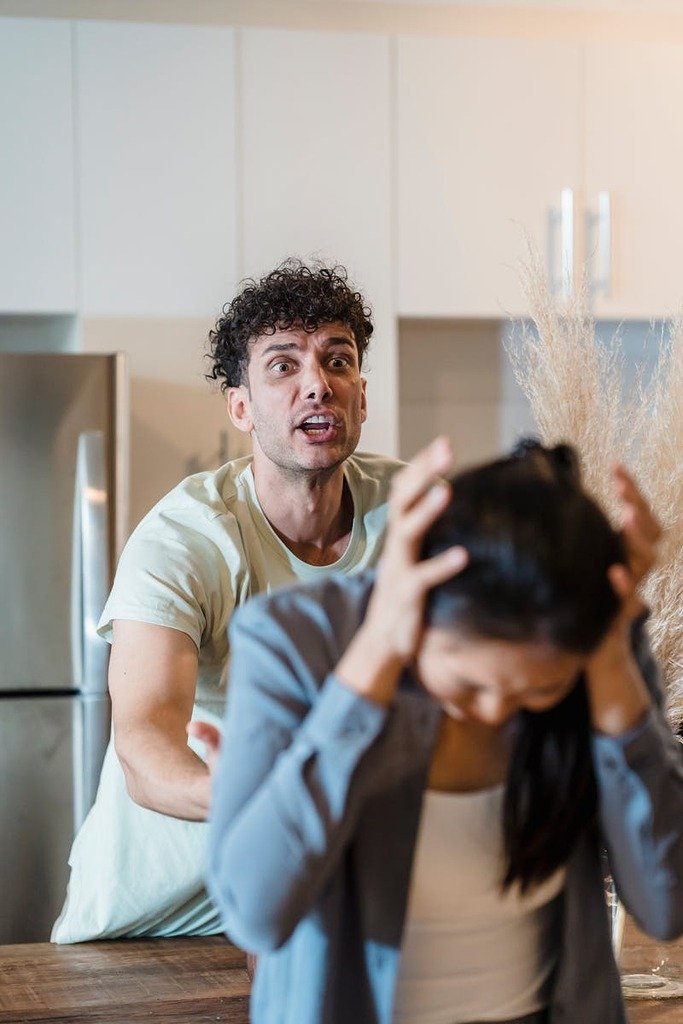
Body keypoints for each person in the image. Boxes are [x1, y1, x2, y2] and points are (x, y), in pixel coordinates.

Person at [206, 436, 683, 1024]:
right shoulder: (297, 641)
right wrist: (374, 656)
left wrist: (609, 650)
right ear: (422, 605)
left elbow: (666, 903)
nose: (495, 712)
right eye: (464, 685)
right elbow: (255, 909)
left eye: (539, 692)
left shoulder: (584, 639)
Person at [52, 259, 402, 943]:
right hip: (158, 929)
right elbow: (144, 738)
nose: (315, 385)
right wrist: (257, 798)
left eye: (337, 361)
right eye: (282, 366)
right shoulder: (188, 537)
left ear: (360, 395)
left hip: (316, 907)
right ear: (240, 406)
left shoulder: (411, 512)